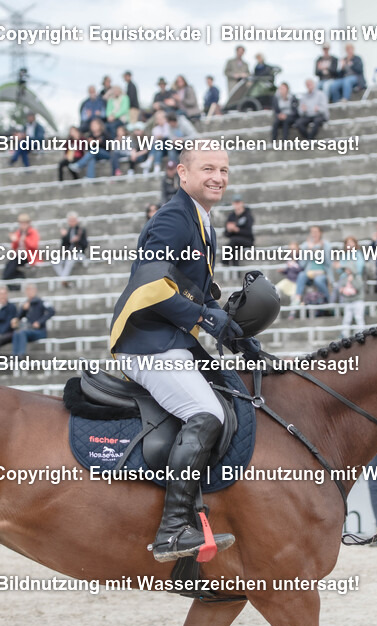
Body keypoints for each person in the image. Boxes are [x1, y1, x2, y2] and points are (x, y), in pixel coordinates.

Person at [109, 145, 258, 563]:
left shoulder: (201, 219)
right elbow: (151, 288)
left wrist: (236, 334)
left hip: (171, 340)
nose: (218, 177)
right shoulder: (175, 218)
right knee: (206, 414)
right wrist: (208, 321)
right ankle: (173, 528)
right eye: (208, 168)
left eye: (225, 170)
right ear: (183, 173)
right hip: (148, 342)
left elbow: (191, 290)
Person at [293, 225, 333, 313]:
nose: (314, 234)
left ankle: (328, 300)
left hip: (321, 273)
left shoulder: (326, 245)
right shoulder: (305, 245)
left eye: (316, 232)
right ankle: (297, 297)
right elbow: (302, 264)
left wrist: (316, 250)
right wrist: (307, 251)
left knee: (318, 280)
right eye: (312, 232)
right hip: (309, 273)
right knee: (301, 275)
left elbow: (328, 262)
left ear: (320, 233)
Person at [10, 283, 54, 356]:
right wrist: (23, 310)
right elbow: (18, 317)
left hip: (40, 331)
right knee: (16, 333)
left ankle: (20, 355)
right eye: (28, 290)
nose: (29, 292)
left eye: (31, 290)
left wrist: (39, 322)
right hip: (29, 330)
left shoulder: (41, 301)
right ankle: (14, 355)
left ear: (35, 290)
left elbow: (51, 311)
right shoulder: (25, 304)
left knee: (21, 333)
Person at [335, 236, 365, 335]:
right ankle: (344, 334)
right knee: (346, 318)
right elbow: (340, 269)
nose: (349, 245)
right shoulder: (344, 256)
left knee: (358, 317)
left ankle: (361, 333)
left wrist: (352, 276)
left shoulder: (358, 254)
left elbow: (359, 268)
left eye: (351, 242)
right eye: (348, 243)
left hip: (357, 299)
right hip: (348, 300)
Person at [2, 213, 40, 287]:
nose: (23, 226)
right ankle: (18, 278)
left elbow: (34, 246)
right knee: (8, 268)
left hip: (29, 256)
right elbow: (14, 248)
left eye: (24, 223)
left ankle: (18, 277)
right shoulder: (18, 233)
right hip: (18, 257)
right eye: (21, 223)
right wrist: (15, 240)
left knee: (11, 266)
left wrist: (24, 239)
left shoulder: (33, 232)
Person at [54, 212, 88, 283]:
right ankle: (63, 279)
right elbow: (63, 246)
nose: (72, 222)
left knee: (71, 259)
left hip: (79, 254)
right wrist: (64, 237)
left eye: (73, 220)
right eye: (70, 220)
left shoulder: (81, 231)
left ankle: (63, 279)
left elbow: (85, 245)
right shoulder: (68, 232)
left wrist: (78, 240)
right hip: (69, 254)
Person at [222, 194, 254, 265]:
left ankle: (224, 263)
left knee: (232, 244)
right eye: (235, 203)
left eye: (238, 202)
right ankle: (235, 270)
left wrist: (237, 230)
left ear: (242, 203)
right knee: (233, 247)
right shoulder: (231, 216)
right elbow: (226, 233)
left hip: (247, 241)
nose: (237, 205)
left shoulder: (248, 216)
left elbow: (249, 232)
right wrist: (229, 230)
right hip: (234, 242)